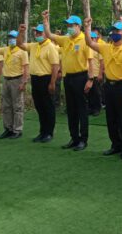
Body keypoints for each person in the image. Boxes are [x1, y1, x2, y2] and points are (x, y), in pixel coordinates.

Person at [84, 18, 122, 159]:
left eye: (117, 31)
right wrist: (87, 27)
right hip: (109, 86)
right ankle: (115, 145)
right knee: (111, 117)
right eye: (113, 31)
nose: (114, 33)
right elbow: (89, 42)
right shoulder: (106, 47)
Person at [42, 11, 94, 151]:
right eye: (68, 25)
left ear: (78, 26)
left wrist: (90, 79)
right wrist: (45, 22)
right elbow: (49, 35)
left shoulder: (85, 40)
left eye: (71, 25)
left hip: (81, 77)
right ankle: (74, 138)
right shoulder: (66, 39)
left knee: (82, 109)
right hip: (68, 78)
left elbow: (91, 61)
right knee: (71, 109)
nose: (69, 28)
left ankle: (83, 139)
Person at [17, 23, 60, 143]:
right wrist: (21, 32)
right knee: (39, 106)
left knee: (48, 106)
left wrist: (52, 83)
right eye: (36, 32)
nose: (37, 34)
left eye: (40, 32)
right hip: (35, 79)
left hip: (46, 79)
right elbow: (19, 44)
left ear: (46, 33)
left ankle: (49, 132)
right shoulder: (34, 45)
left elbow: (55, 66)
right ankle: (42, 132)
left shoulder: (51, 47)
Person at [0, 29, 29, 139]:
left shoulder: (22, 51)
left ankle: (17, 130)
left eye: (13, 38)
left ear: (17, 38)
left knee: (17, 106)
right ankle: (8, 128)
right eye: (10, 37)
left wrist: (24, 82)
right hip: (6, 80)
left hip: (17, 80)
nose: (11, 40)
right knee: (6, 106)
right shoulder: (6, 50)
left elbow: (26, 68)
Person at [87, 30, 105, 116]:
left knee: (96, 92)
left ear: (95, 38)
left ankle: (97, 108)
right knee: (89, 92)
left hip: (96, 73)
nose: (91, 39)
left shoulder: (98, 48)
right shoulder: (87, 48)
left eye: (92, 38)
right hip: (88, 74)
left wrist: (100, 74)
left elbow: (102, 62)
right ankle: (90, 108)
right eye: (90, 38)